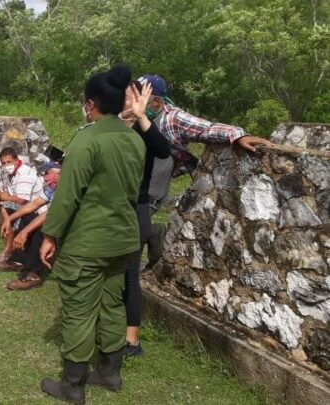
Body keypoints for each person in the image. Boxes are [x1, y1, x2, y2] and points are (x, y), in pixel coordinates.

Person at [39, 65, 145, 404]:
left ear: (90, 103)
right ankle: (110, 372)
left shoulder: (87, 138)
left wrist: (50, 234)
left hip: (88, 241)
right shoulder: (133, 138)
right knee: (112, 303)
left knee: (79, 310)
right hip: (124, 238)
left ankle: (73, 385)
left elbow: (67, 194)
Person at [137, 74, 274, 269]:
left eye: (141, 98)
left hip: (155, 180)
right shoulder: (133, 113)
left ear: (156, 102)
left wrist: (239, 136)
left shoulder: (173, 118)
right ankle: (149, 233)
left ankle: (144, 243)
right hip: (137, 177)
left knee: (132, 225)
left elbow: (205, 129)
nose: (136, 102)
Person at [118, 81, 172, 357]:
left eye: (128, 95)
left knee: (129, 276)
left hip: (135, 209)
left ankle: (132, 341)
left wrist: (140, 115)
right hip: (110, 210)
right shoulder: (111, 125)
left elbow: (163, 150)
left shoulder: (144, 128)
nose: (124, 99)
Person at [1, 161, 60, 290]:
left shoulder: (65, 190)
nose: (44, 177)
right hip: (55, 222)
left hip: (66, 228)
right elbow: (33, 205)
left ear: (58, 174)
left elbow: (49, 215)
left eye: (47, 173)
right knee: (27, 216)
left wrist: (24, 232)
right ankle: (19, 261)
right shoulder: (51, 189)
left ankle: (34, 274)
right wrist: (8, 220)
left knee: (42, 228)